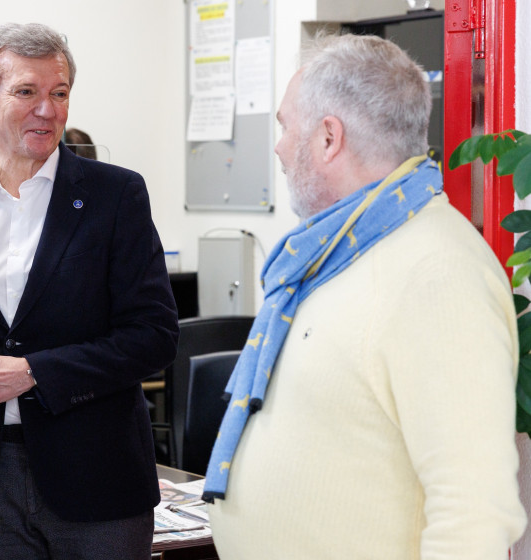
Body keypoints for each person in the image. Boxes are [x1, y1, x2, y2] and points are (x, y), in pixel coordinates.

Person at [204, 33, 527, 559]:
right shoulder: (337, 251)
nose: (281, 147)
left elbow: (473, 511)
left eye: (286, 127)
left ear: (329, 138)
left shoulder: (437, 271)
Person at [0, 22, 178, 559]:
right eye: (27, 92)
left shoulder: (115, 195)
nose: (47, 110)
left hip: (98, 478)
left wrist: (33, 374)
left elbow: (154, 337)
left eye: (60, 93)